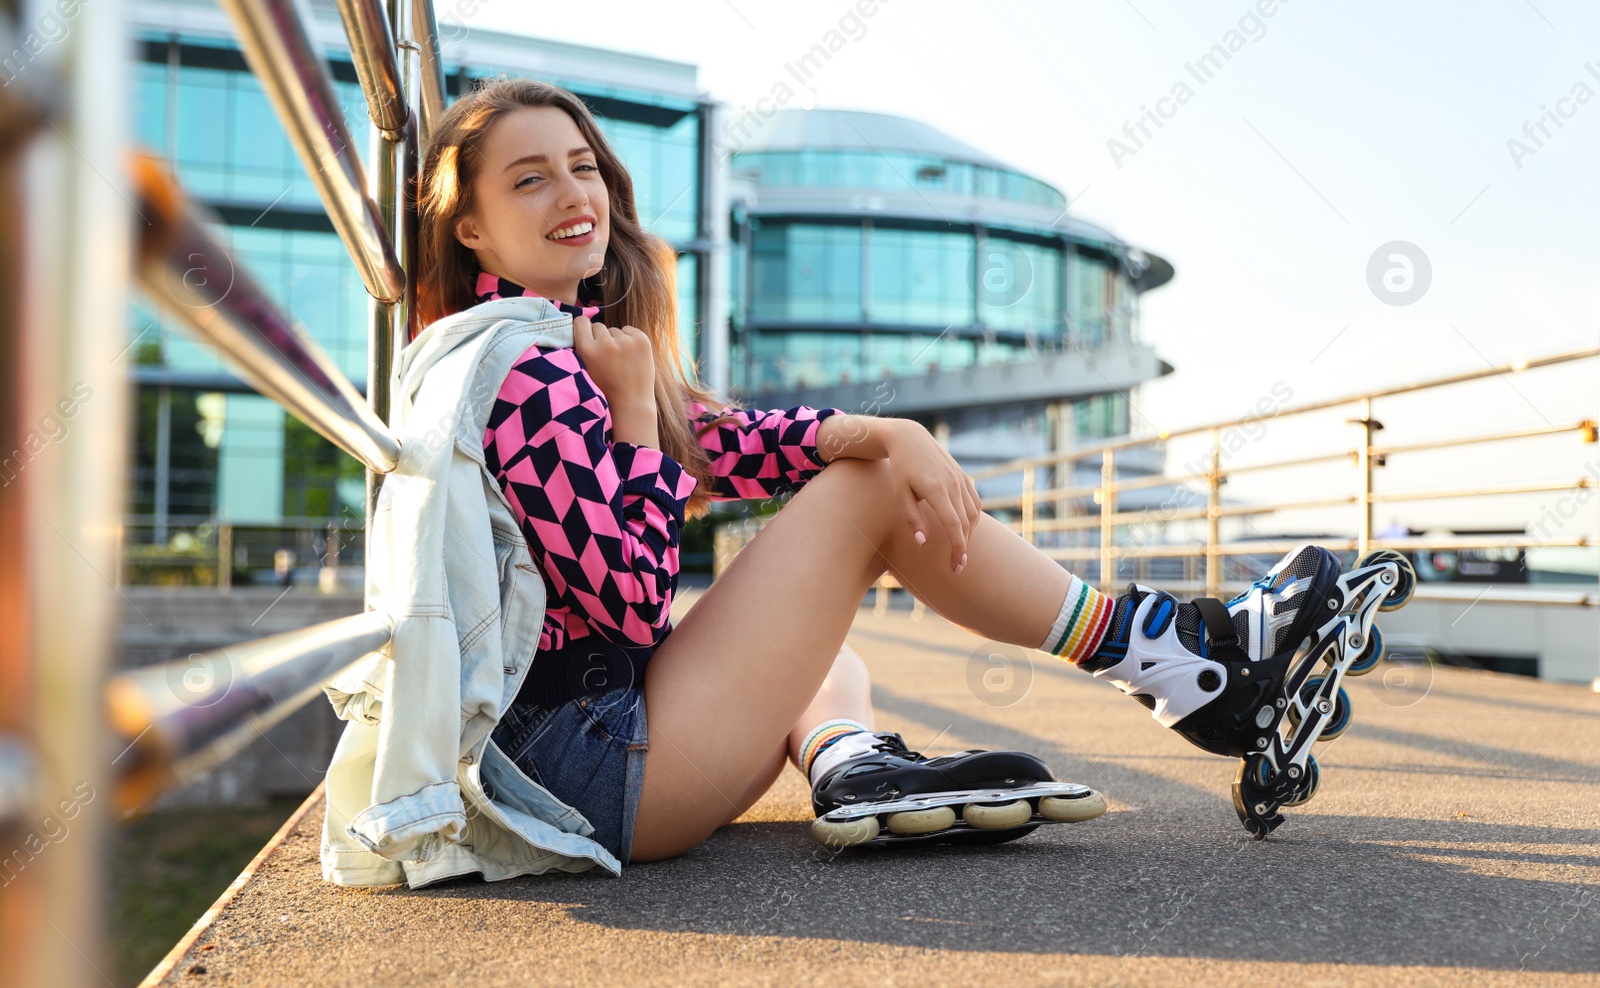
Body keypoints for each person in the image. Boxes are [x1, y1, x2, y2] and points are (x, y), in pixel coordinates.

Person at [413, 77, 1392, 865]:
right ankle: (1188, 664)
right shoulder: (527, 371)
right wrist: (645, 416)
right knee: (872, 494)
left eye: (582, 166)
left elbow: (724, 441)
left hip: (584, 753)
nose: (573, 194)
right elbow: (631, 601)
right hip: (589, 776)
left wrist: (873, 427)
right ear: (469, 225)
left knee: (827, 650)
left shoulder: (550, 342)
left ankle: (851, 757)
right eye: (529, 179)